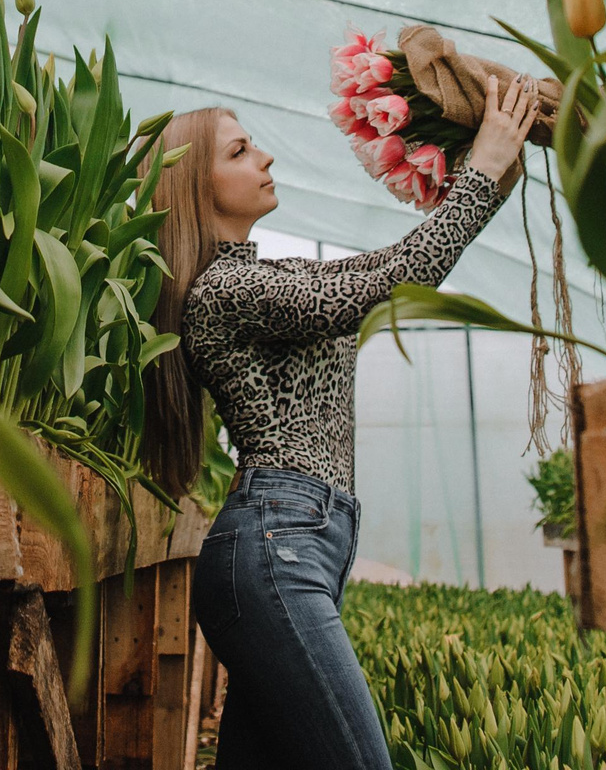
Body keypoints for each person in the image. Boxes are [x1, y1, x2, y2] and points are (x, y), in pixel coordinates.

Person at [140, 73, 546, 770]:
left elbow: (394, 263)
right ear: (194, 187)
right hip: (276, 548)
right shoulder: (225, 291)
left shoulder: (269, 278)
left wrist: (491, 163)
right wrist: (482, 169)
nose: (265, 156)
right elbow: (394, 280)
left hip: (294, 547)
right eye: (239, 151)